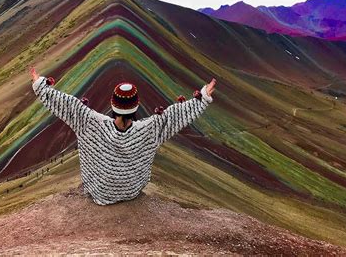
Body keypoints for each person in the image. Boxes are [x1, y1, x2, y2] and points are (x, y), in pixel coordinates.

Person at [30, 66, 216, 205]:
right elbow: (175, 116)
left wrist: (40, 85)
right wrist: (203, 97)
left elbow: (67, 104)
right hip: (132, 191)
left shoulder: (89, 121)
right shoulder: (150, 129)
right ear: (136, 106)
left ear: (113, 105)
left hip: (100, 193)